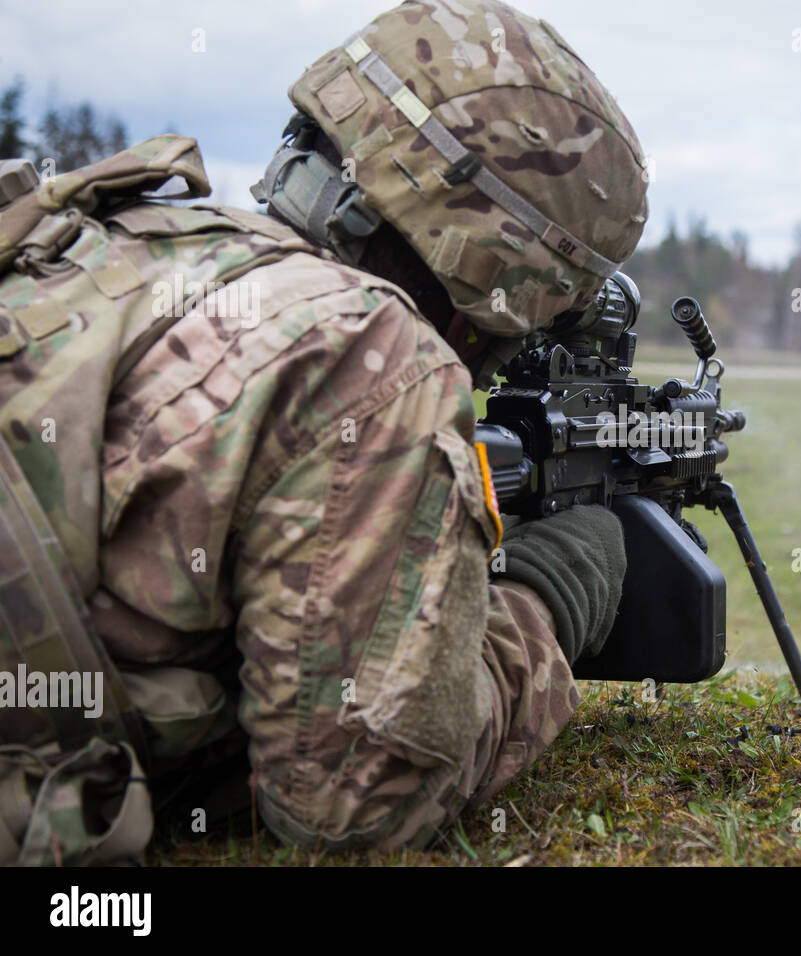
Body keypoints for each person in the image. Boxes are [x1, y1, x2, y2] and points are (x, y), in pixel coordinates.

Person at [0, 0, 647, 862]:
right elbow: (355, 806)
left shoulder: (99, 242)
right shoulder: (368, 357)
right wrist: (542, 601)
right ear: (502, 274)